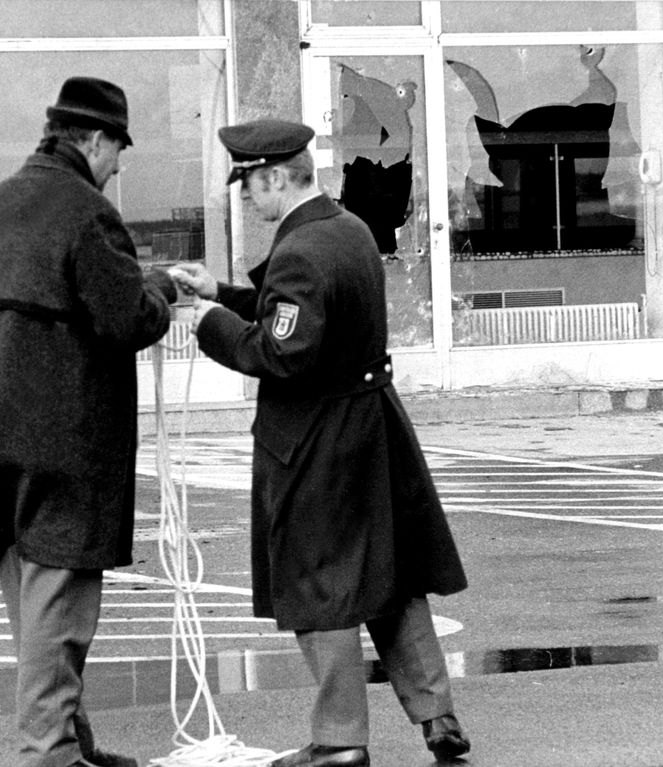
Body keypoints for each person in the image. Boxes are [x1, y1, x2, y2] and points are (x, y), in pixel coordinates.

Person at [170, 119, 470, 767]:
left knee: (321, 586)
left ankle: (339, 741)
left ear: (277, 176)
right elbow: (299, 312)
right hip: (372, 428)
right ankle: (437, 713)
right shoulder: (348, 228)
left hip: (316, 441)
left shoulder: (300, 249)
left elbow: (284, 352)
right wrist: (219, 292)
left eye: (250, 183)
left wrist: (209, 324)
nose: (247, 197)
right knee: (388, 580)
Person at [0, 76, 176, 767]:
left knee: (33, 609)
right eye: (118, 148)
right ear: (94, 140)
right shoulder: (85, 213)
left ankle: (71, 744)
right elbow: (125, 317)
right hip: (61, 441)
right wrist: (160, 288)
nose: (120, 165)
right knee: (60, 611)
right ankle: (48, 752)